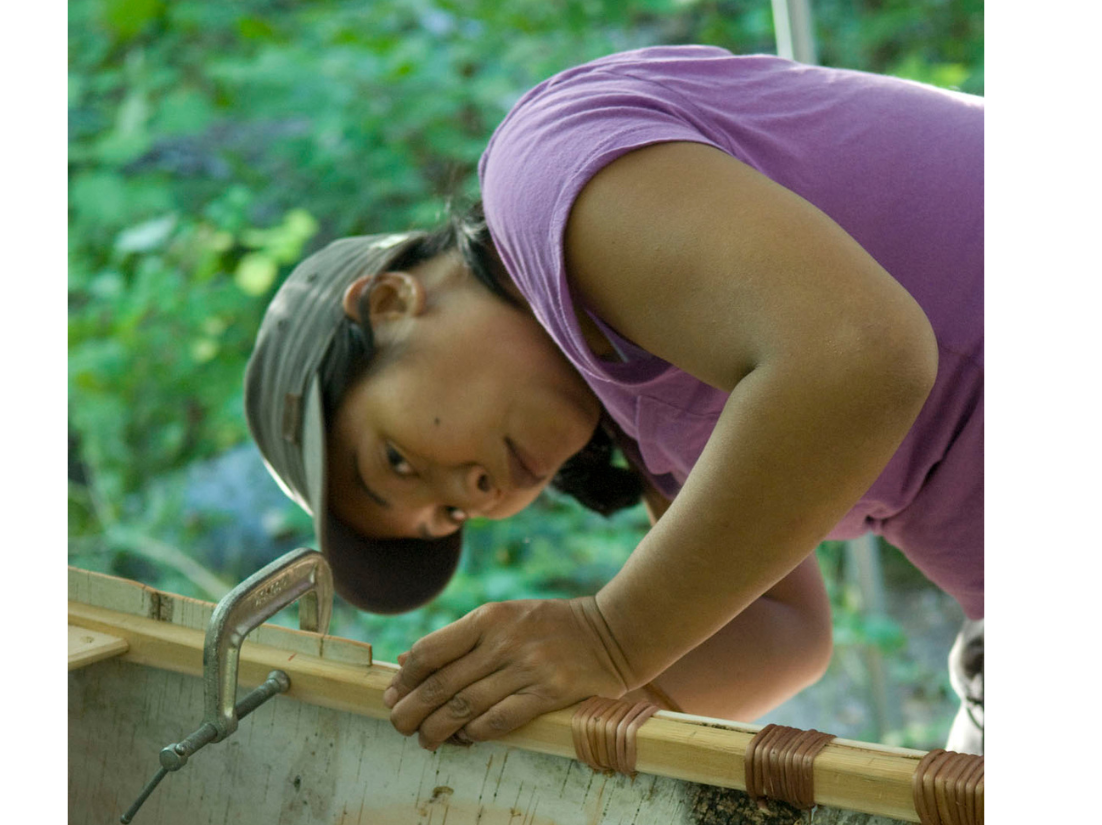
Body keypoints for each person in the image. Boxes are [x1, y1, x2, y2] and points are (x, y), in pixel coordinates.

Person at [243, 45, 984, 756]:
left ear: (389, 302)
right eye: (453, 517)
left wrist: (612, 636)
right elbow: (781, 632)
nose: (476, 492)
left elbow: (858, 355)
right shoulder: (649, 427)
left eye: (398, 460)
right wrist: (549, 723)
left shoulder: (541, 166)